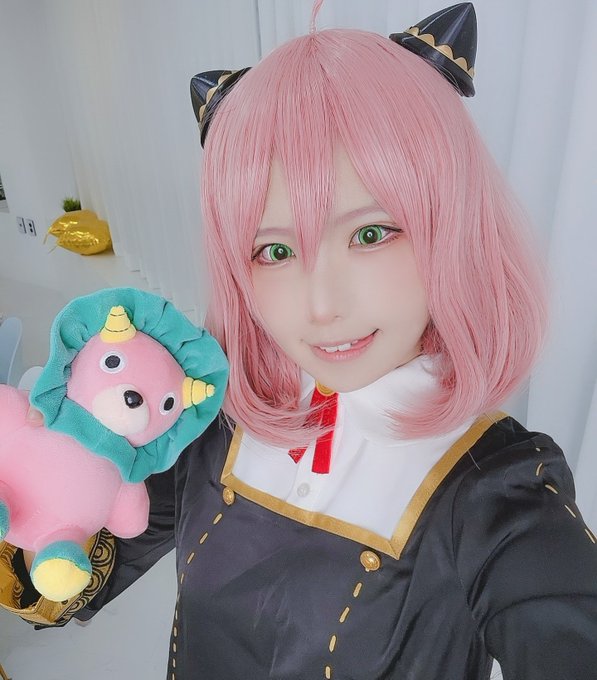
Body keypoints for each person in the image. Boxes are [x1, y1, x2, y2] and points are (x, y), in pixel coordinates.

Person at [2, 2, 597, 679]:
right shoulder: (217, 420)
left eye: (370, 234)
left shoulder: (495, 488)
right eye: (275, 250)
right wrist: (39, 480)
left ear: (451, 227)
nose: (321, 307)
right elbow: (71, 574)